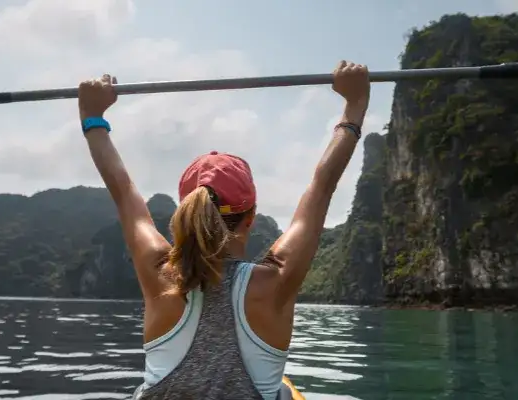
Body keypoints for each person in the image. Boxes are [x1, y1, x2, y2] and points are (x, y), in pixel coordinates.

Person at [77, 60, 370, 400]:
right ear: (251, 218)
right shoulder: (274, 282)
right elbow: (322, 187)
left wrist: (92, 116)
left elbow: (123, 190)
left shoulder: (159, 274)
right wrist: (354, 106)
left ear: (185, 210)